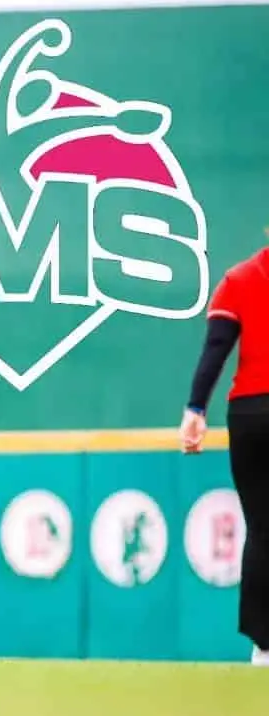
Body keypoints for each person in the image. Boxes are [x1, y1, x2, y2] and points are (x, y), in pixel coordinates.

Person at [180, 240, 269, 666]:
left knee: (263, 529)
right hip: (254, 411)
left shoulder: (240, 278)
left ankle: (264, 646)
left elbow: (216, 349)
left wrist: (195, 410)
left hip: (250, 413)